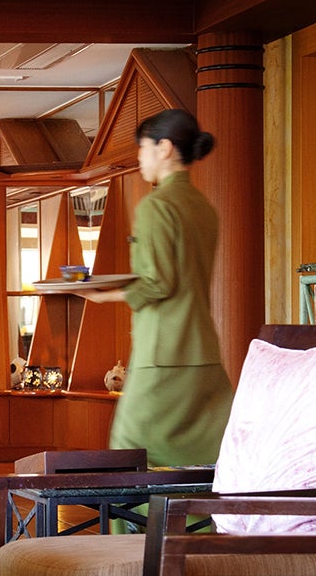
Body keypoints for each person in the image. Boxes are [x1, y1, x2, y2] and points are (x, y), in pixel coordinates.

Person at [74, 108, 234, 467]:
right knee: (208, 455)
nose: (139, 157)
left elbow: (158, 283)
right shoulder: (203, 207)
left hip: (162, 354)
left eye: (143, 147)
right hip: (203, 353)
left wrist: (102, 296)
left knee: (129, 450)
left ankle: (150, 509)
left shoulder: (156, 206)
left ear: (164, 148)